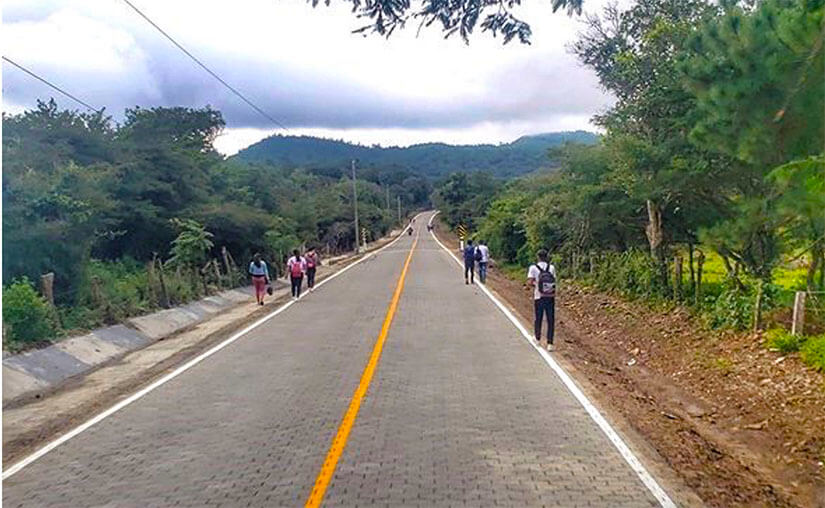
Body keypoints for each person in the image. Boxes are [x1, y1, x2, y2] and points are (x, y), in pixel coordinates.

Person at [527, 249, 557, 351]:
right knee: (550, 319)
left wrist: (536, 285)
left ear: (538, 257)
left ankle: (537, 338)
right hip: (550, 297)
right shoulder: (551, 267)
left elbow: (530, 282)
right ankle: (550, 343)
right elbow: (554, 281)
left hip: (538, 296)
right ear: (547, 256)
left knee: (538, 318)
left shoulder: (533, 268)